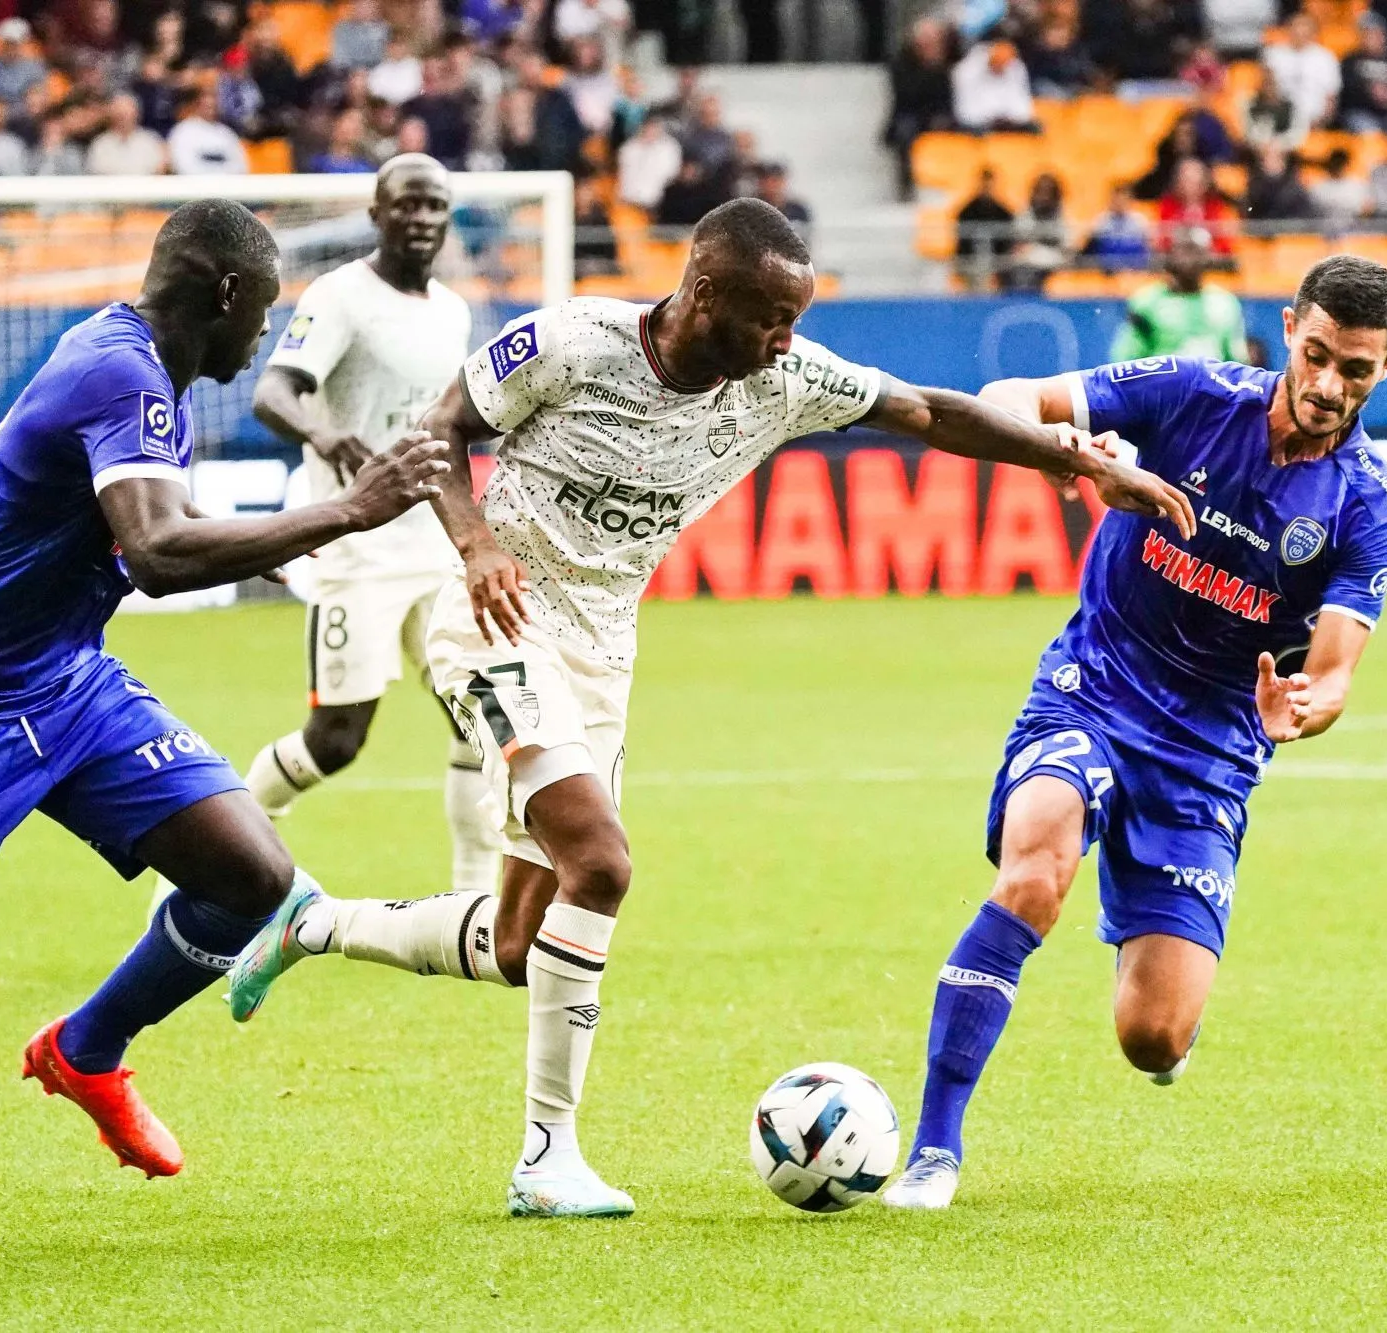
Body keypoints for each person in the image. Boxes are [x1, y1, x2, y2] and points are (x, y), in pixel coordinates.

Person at [221, 197, 1194, 1219]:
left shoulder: (781, 379)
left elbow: (927, 411)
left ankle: (313, 922)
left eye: (794, 322)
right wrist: (475, 542)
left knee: (518, 945)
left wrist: (1074, 459)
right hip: (495, 625)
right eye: (768, 319)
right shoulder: (571, 341)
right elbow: (436, 434)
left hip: (601, 652)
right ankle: (545, 1157)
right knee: (599, 863)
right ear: (701, 291)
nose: (784, 342)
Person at [0, 199, 451, 1252]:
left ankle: (86, 1047)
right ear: (223, 292)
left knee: (249, 877)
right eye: (261, 306)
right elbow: (160, 555)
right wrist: (352, 508)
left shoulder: (138, 369)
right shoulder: (118, 372)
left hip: (63, 684)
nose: (262, 330)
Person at [883, 256, 1387, 1209]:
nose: (1331, 385)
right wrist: (1084, 459)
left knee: (1152, 1037)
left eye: (1358, 370)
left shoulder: (1368, 504)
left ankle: (1164, 985)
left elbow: (1331, 671)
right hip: (1094, 688)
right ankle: (933, 1148)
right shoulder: (1189, 390)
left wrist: (1305, 707)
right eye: (1319, 354)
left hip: (1211, 751)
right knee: (1034, 869)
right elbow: (1003, 397)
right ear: (1288, 327)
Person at [239, 157, 505, 905]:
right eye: (407, 204)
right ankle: (222, 833)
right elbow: (275, 389)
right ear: (377, 214)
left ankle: (471, 900)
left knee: (479, 715)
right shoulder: (341, 297)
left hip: (436, 545)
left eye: (435, 206)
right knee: (337, 741)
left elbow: (444, 420)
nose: (421, 218)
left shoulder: (452, 311)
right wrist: (326, 436)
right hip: (356, 548)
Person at [1111, 229, 1248, 362]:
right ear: (1170, 255)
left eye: (1197, 252)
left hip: (1211, 383)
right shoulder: (1146, 302)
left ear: (1208, 257)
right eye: (1185, 250)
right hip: (1162, 383)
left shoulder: (1225, 303)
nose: (1191, 259)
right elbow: (1126, 357)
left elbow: (1237, 361)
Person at [884, 16, 956, 199]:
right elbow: (907, 96)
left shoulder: (947, 61)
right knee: (905, 131)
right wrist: (930, 69)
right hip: (911, 114)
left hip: (939, 114)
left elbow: (946, 96)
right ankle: (906, 181)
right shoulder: (901, 64)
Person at [1263, 12, 1342, 132]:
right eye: (1296, 27)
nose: (1300, 33)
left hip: (1316, 122)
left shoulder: (1326, 57)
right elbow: (1268, 90)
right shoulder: (1273, 54)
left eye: (1305, 28)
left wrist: (1322, 122)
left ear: (1313, 32)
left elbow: (1331, 98)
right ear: (1288, 29)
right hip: (1281, 119)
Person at [952, 37, 1040, 134]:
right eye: (998, 63)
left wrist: (1009, 118)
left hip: (1008, 122)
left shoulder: (1015, 69)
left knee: (1034, 128)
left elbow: (1023, 105)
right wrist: (991, 118)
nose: (1001, 68)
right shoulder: (967, 71)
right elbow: (965, 111)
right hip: (978, 125)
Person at [1157, 157, 1237, 257]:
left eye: (1193, 181)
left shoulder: (1217, 207)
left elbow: (1225, 245)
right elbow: (1161, 241)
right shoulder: (1167, 206)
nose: (1189, 185)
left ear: (1204, 182)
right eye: (1185, 180)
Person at [954, 163, 1014, 286]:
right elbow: (961, 246)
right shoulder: (966, 212)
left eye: (990, 185)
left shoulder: (1005, 213)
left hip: (999, 263)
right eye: (984, 185)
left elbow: (1008, 246)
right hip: (971, 262)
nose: (986, 189)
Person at [167, 88, 248, 175]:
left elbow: (240, 165)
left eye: (213, 106)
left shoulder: (226, 133)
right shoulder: (182, 131)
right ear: (196, 106)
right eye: (206, 106)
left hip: (226, 184)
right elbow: (182, 164)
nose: (210, 110)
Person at [87, 92, 168, 175]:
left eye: (127, 113)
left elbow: (160, 175)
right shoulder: (100, 144)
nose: (123, 117)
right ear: (111, 115)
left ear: (137, 114)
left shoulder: (152, 141)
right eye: (119, 113)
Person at [616, 112, 680, 210]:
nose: (650, 130)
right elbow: (624, 174)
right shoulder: (629, 147)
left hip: (657, 202)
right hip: (628, 201)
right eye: (648, 127)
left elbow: (671, 175)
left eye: (654, 127)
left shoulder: (670, 148)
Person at [1081, 185, 1153, 273]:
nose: (1119, 204)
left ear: (1129, 200)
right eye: (1116, 200)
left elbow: (1148, 250)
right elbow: (1090, 249)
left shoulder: (1140, 222)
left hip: (1134, 271)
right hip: (1106, 271)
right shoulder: (1101, 222)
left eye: (1123, 200)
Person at [1243, 141, 1311, 221]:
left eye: (1276, 157)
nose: (1270, 161)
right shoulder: (1253, 186)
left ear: (1284, 160)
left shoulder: (1295, 188)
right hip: (1260, 228)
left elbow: (1303, 215)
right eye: (1267, 156)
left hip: (1289, 227)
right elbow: (1249, 210)